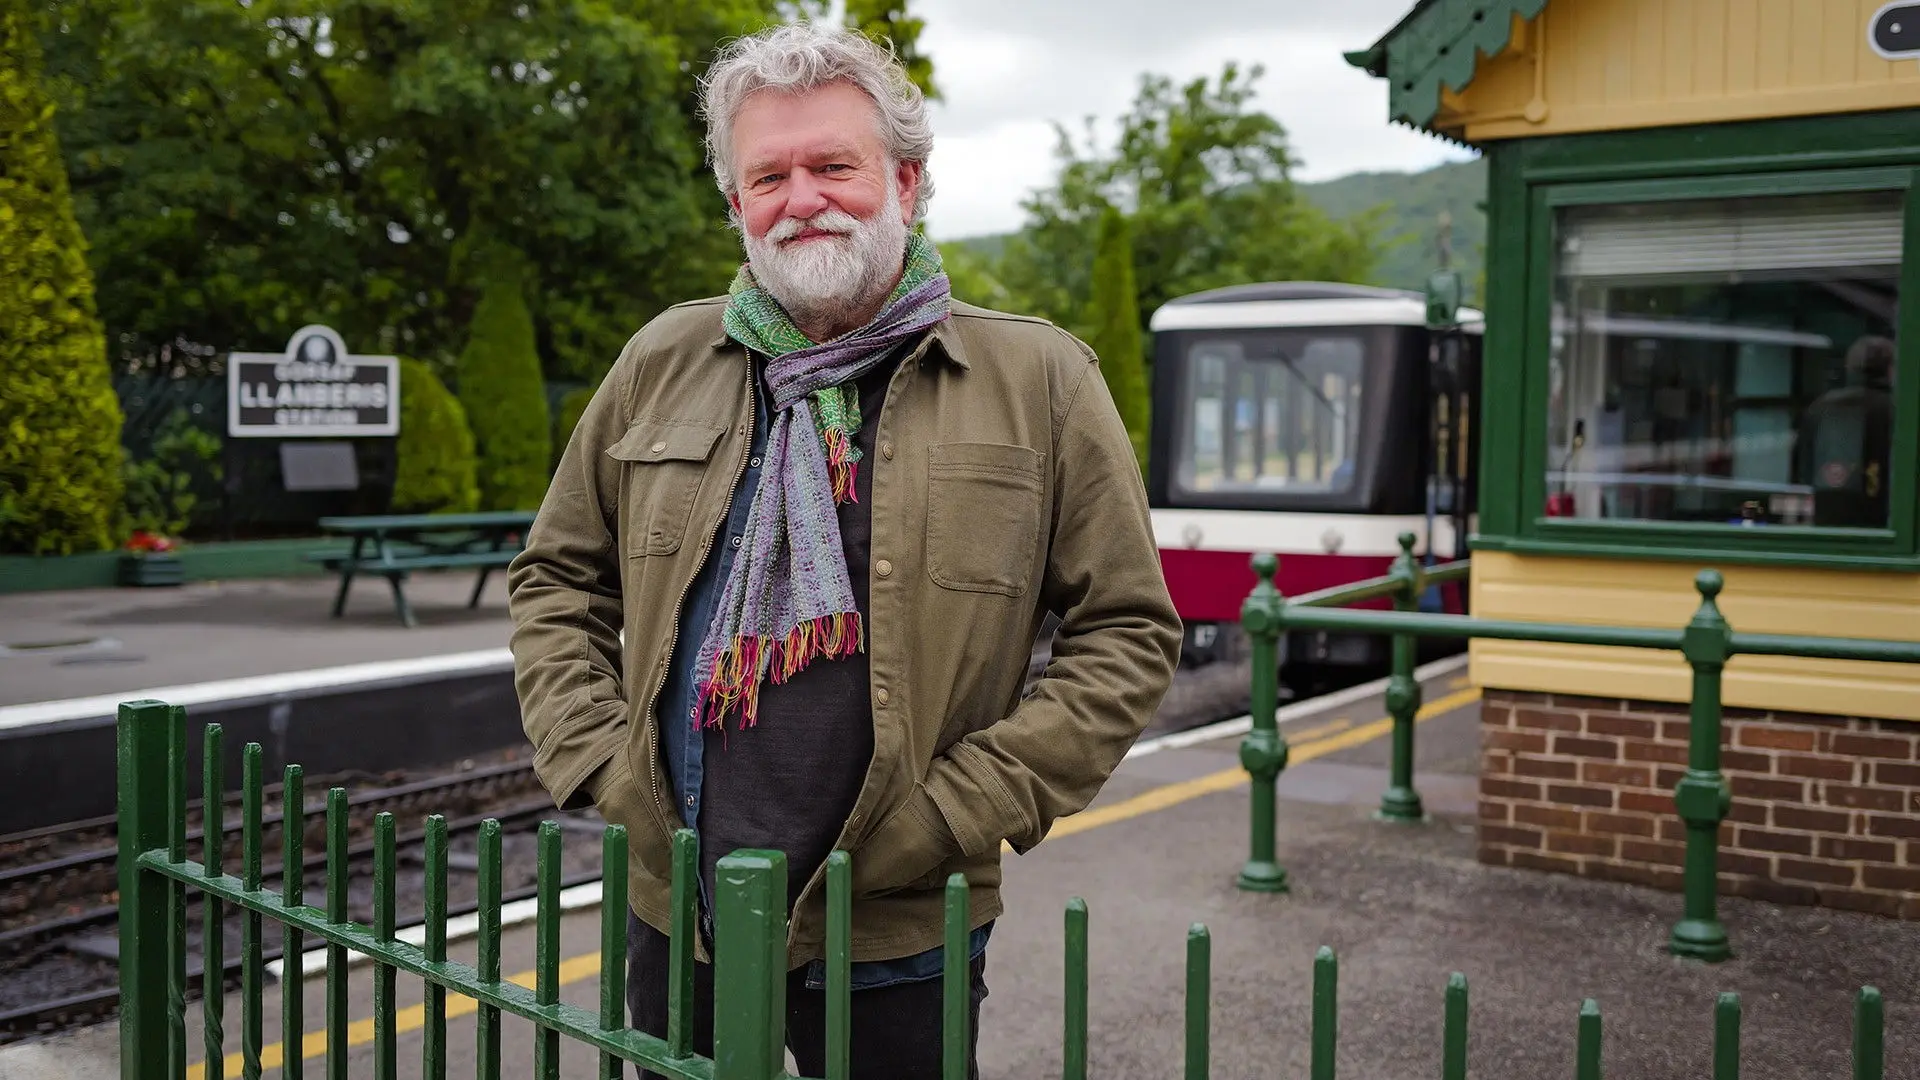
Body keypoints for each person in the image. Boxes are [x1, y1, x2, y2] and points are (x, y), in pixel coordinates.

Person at [505, 21, 1181, 1079]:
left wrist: (962, 809)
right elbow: (557, 577)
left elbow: (1128, 633)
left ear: (907, 183)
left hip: (899, 926)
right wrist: (601, 762)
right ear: (736, 206)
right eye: (766, 175)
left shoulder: (1039, 381)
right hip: (678, 907)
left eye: (834, 164)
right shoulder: (662, 359)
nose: (801, 197)